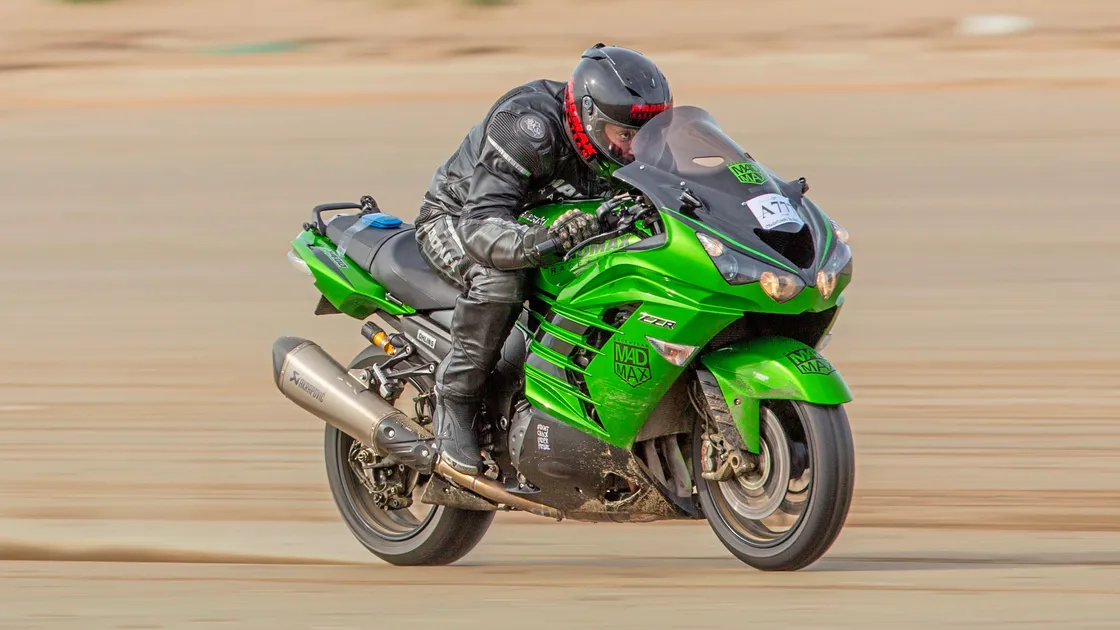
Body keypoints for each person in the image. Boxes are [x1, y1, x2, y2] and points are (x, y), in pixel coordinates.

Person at [414, 43, 674, 475]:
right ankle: (455, 396)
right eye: (625, 135)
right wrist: (541, 240)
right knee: (503, 279)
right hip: (459, 218)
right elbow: (481, 224)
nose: (634, 148)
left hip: (548, 224)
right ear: (589, 117)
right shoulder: (529, 127)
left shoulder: (639, 139)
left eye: (647, 135)